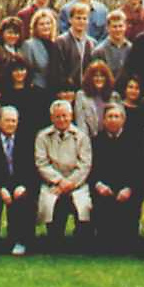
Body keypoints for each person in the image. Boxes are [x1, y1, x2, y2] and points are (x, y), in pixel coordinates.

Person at [0, 106, 38, 256]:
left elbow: (31, 167)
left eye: (14, 121)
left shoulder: (26, 139)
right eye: (7, 120)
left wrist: (23, 186)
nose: (11, 124)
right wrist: (0, 188)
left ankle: (20, 241)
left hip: (20, 183)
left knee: (24, 199)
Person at [89, 103, 144, 255]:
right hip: (104, 190)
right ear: (103, 120)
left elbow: (140, 169)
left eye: (117, 116)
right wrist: (99, 185)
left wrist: (129, 188)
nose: (113, 120)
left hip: (127, 190)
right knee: (106, 239)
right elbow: (91, 169)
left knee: (126, 239)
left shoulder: (134, 140)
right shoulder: (96, 141)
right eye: (110, 116)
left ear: (123, 120)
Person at [34, 100, 93, 251]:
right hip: (52, 183)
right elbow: (41, 163)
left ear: (71, 116)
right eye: (57, 116)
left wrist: (70, 183)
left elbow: (85, 164)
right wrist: (59, 181)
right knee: (49, 202)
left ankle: (82, 236)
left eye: (65, 116)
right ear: (51, 118)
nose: (61, 119)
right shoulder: (42, 136)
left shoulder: (82, 137)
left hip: (77, 182)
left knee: (83, 204)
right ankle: (54, 236)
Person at [0, 56, 49, 138]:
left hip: (34, 134)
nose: (19, 73)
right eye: (15, 70)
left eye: (22, 69)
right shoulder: (4, 94)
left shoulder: (38, 92)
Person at [54, 2, 97, 96]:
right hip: (67, 92)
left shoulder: (92, 43)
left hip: (87, 93)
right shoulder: (61, 41)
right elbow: (58, 70)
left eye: (84, 18)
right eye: (78, 18)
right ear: (70, 20)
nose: (81, 21)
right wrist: (64, 90)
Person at [74, 60, 122, 138]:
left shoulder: (114, 96)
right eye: (95, 76)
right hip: (90, 138)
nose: (99, 79)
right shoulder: (81, 96)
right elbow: (81, 123)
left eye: (102, 76)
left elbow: (120, 123)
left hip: (111, 139)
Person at [22, 8, 64, 95]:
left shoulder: (56, 45)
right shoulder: (29, 45)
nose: (45, 26)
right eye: (41, 24)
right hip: (37, 90)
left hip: (54, 91)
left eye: (48, 23)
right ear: (35, 27)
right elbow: (27, 72)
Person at [92, 10, 133, 82]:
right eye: (114, 26)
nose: (118, 29)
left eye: (120, 26)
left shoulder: (131, 49)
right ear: (107, 28)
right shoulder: (99, 51)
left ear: (125, 27)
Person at [0, 16, 25, 83]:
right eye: (10, 32)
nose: (13, 36)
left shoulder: (19, 51)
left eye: (16, 33)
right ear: (2, 33)